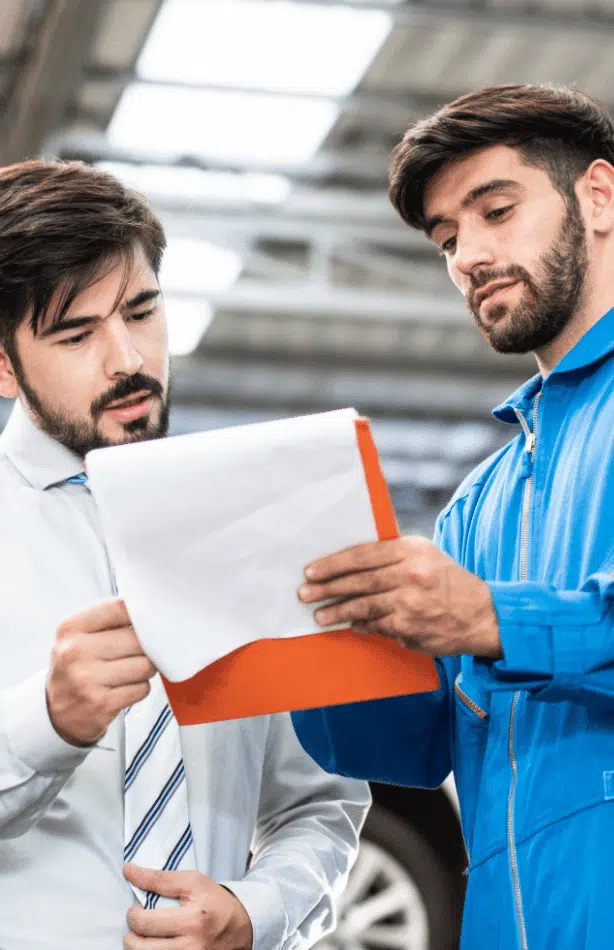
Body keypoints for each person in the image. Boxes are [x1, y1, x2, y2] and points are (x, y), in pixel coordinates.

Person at [0, 159, 370, 950]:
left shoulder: (259, 516)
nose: (127, 359)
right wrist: (47, 722)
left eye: (142, 312)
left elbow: (320, 804)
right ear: (3, 364)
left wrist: (257, 912)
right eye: (76, 334)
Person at [291, 83, 614, 949]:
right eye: (446, 239)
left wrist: (491, 618)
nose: (469, 256)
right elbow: (416, 748)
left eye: (496, 211)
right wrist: (324, 634)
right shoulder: (480, 504)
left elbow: (497, 622)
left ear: (598, 197)